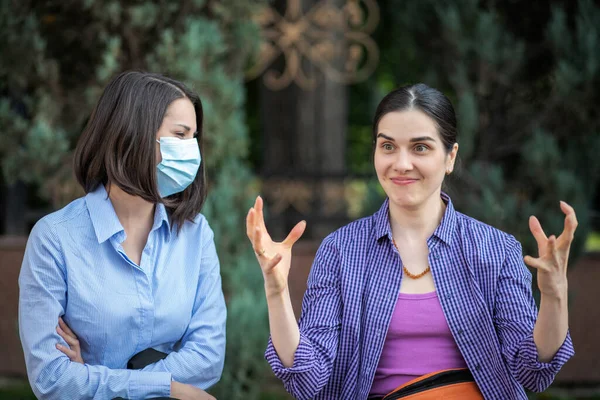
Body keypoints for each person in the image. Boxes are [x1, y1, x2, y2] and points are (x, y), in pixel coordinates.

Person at [246, 83, 577, 400]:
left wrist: (553, 296)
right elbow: (306, 379)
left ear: (450, 157)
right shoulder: (340, 251)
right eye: (387, 146)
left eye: (420, 147)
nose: (401, 164)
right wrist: (276, 292)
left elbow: (533, 372)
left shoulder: (495, 250)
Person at [19, 71, 225, 400]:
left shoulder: (195, 233)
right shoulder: (54, 239)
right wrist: (165, 387)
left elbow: (208, 358)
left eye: (194, 138)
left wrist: (93, 377)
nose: (192, 153)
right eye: (180, 135)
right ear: (134, 134)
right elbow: (52, 377)